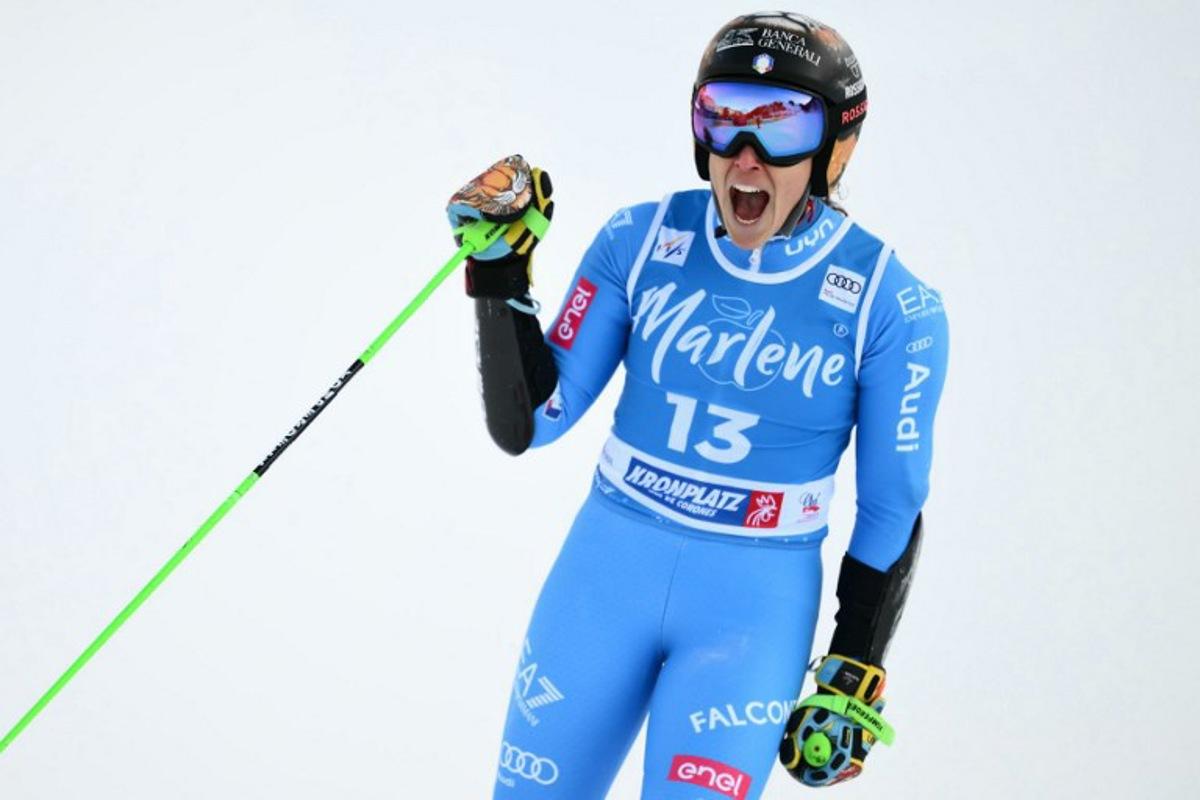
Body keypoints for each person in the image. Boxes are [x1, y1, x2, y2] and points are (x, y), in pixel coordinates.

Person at [446, 11, 948, 799]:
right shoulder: (638, 242)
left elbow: (892, 502)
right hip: (601, 581)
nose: (745, 157)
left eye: (781, 126)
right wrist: (500, 273)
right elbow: (531, 424)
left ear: (834, 146)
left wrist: (854, 667)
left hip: (751, 616)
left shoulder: (892, 304)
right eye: (722, 118)